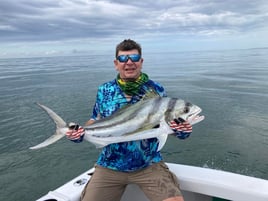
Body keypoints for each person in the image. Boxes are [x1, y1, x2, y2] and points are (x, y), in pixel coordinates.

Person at [66, 39, 193, 201]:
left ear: (141, 61)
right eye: (123, 58)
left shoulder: (156, 89)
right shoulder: (105, 90)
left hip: (148, 164)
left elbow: (164, 126)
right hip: (110, 165)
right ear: (116, 63)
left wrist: (182, 132)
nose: (129, 63)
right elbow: (94, 120)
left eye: (134, 58)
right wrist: (79, 133)